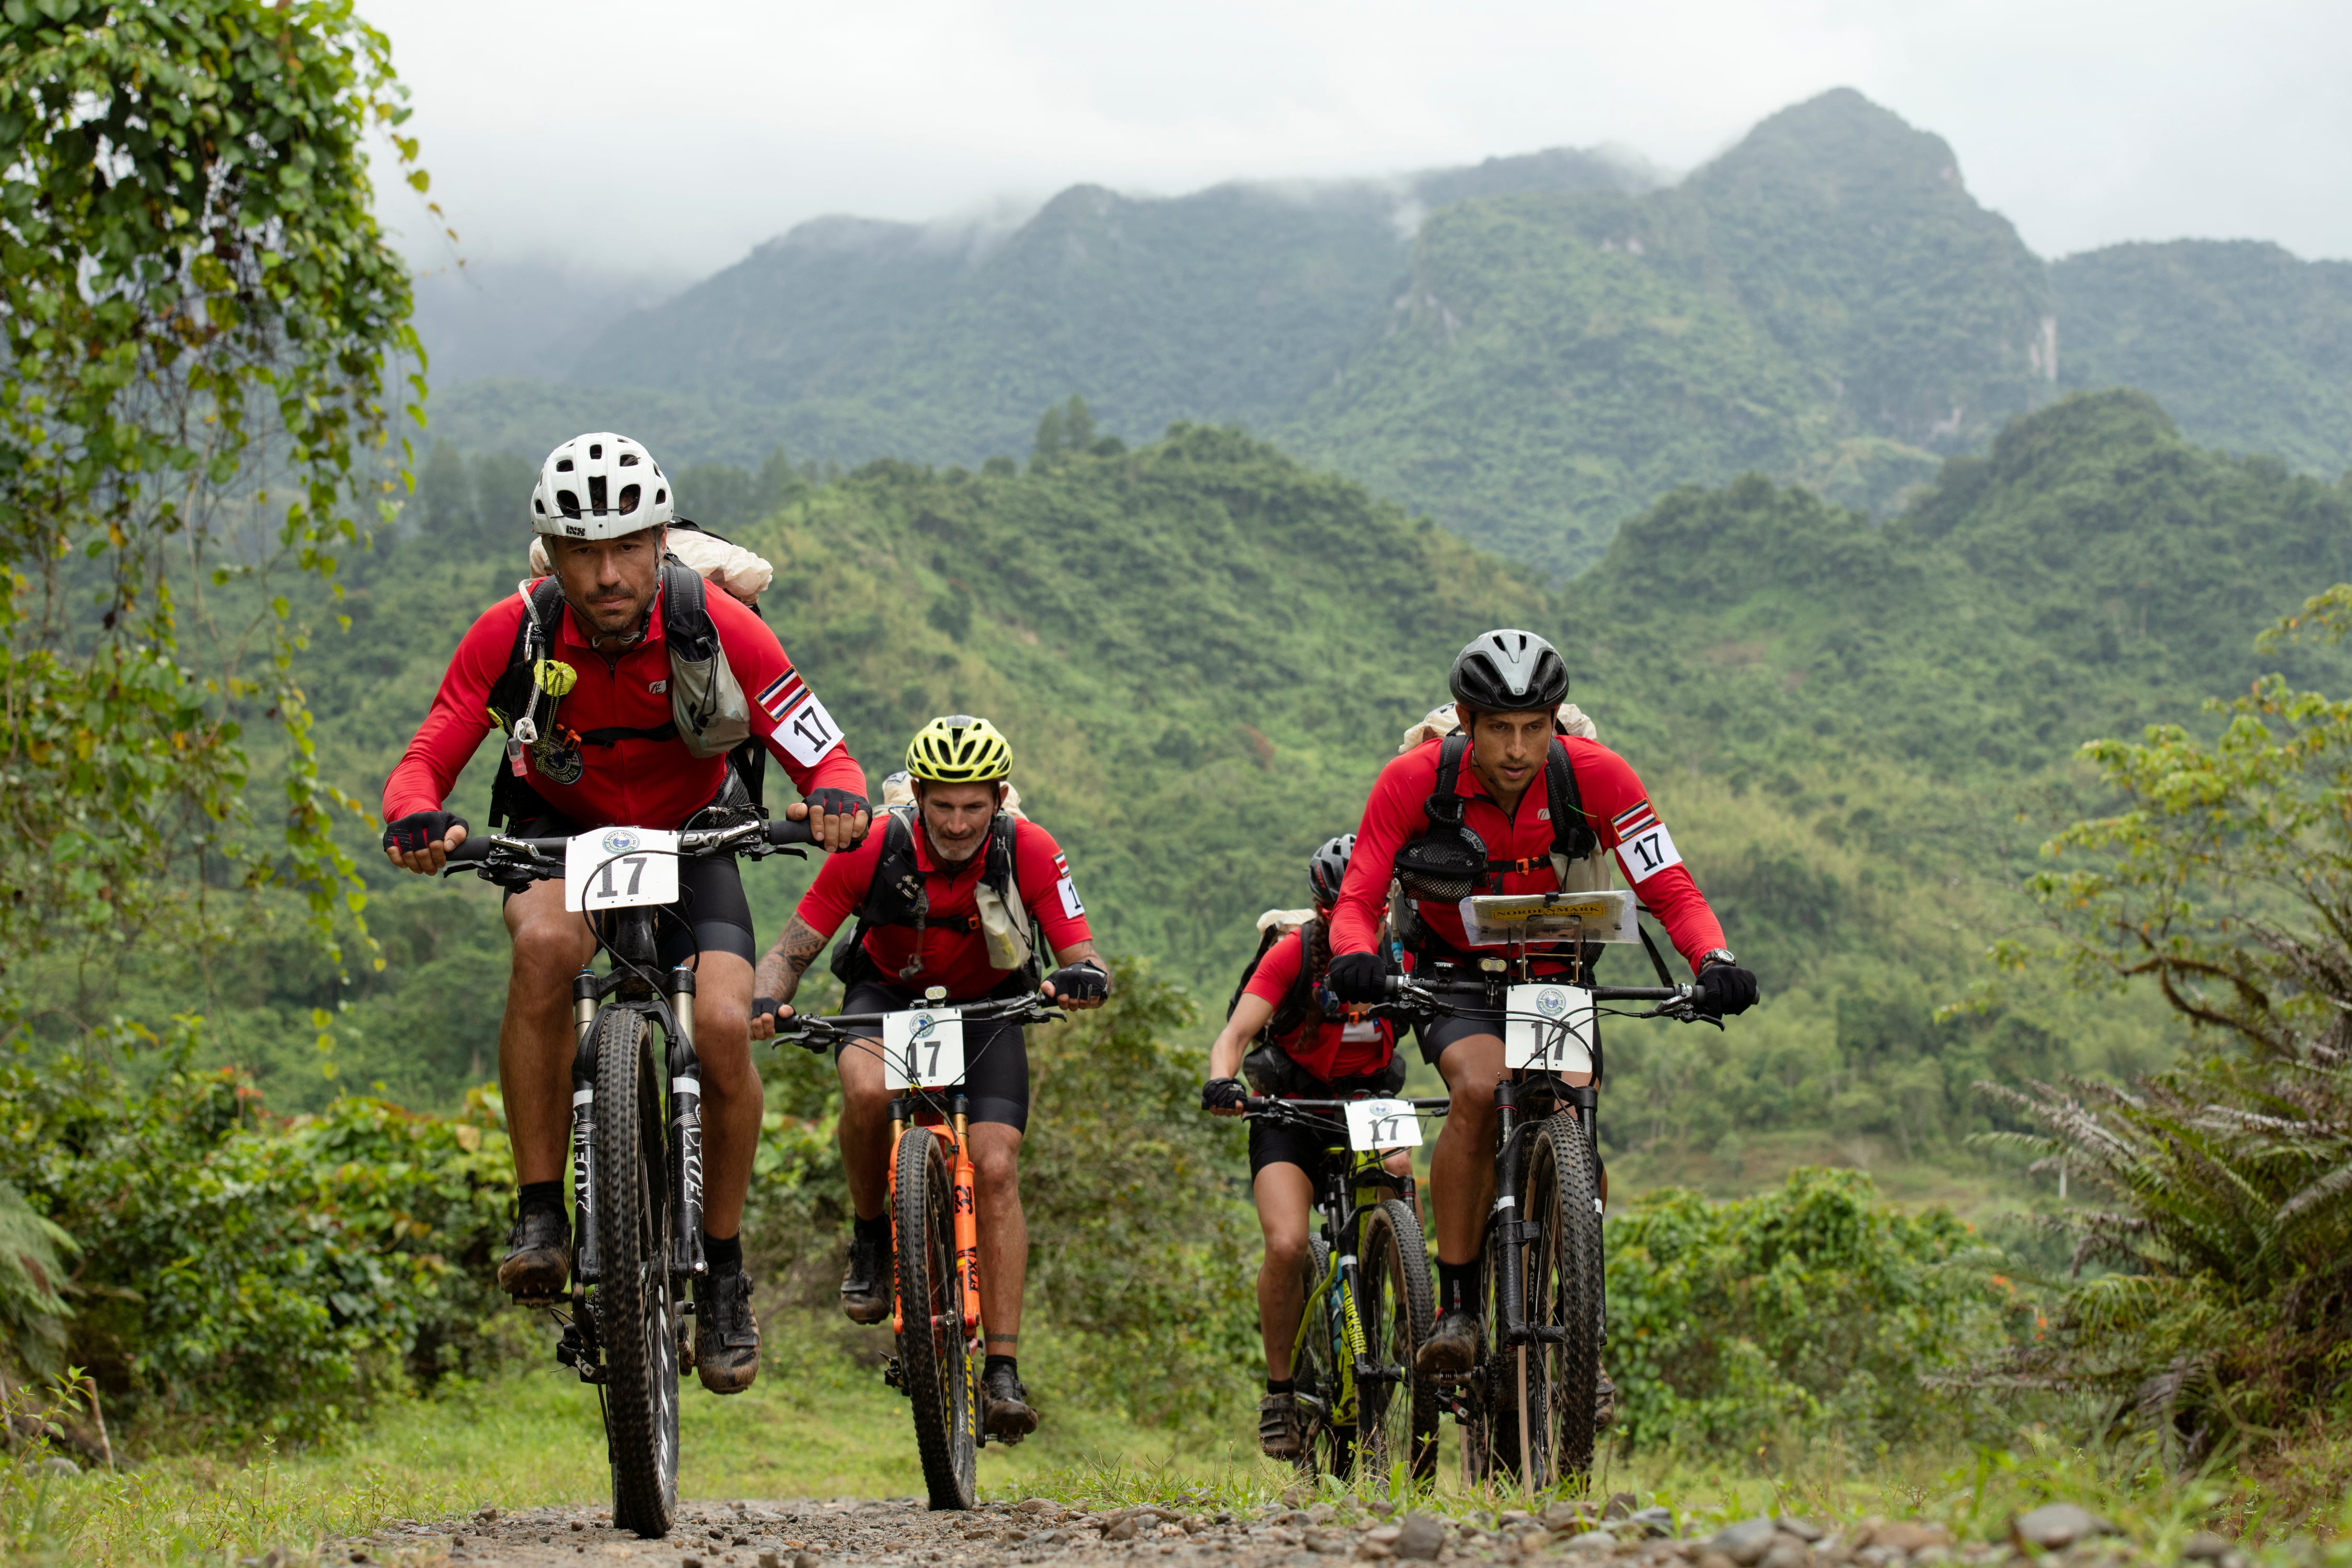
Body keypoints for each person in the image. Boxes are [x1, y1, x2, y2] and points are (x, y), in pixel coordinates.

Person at [380, 431, 872, 1397]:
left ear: (660, 543)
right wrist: (415, 815)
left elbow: (824, 746)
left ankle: (722, 1270)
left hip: (694, 835)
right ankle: (540, 1212)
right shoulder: (516, 632)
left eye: (626, 548)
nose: (606, 575)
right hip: (558, 833)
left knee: (722, 1026)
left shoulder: (717, 623)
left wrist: (837, 798)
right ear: (552, 558)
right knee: (544, 946)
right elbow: (429, 750)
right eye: (582, 552)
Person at [1323, 629, 1758, 1383]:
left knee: (1573, 1109)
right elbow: (1359, 894)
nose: (1519, 748)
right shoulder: (1412, 781)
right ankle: (1458, 1308)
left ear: (1557, 721)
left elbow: (1669, 887)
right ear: (1466, 721)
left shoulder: (1599, 776)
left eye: (1535, 727)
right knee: (1478, 1089)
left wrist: (1713, 960)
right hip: (1453, 972)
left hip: (1556, 970)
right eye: (1499, 728)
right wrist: (1355, 954)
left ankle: (1579, 1316)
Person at [749, 714, 1108, 1442]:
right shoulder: (874, 846)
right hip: (886, 997)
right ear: (916, 795)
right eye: (942, 805)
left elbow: (1085, 952)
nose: (957, 823)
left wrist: (1084, 980)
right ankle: (870, 1238)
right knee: (865, 1090)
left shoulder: (1030, 848)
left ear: (999, 798)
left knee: (997, 1167)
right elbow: (792, 948)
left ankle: (1002, 1371)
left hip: (988, 1008)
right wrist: (764, 999)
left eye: (974, 806)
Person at [1202, 834, 1412, 1460]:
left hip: (1367, 1099)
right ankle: (1280, 1393)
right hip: (1289, 1108)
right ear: (1322, 909)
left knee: (1401, 1172)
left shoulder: (1403, 952)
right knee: (1288, 1245)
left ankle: (1415, 1321)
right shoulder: (1293, 954)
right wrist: (1222, 1082)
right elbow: (1234, 1035)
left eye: (1373, 905)